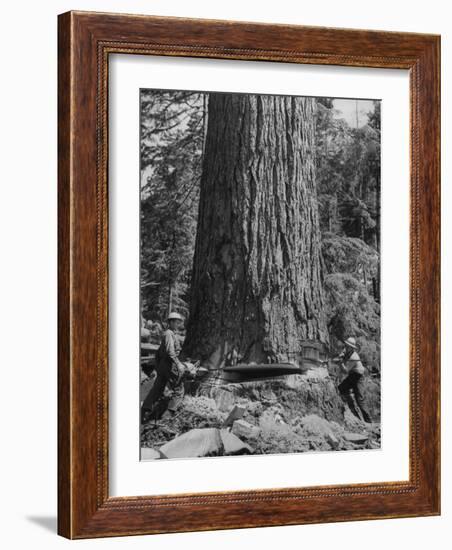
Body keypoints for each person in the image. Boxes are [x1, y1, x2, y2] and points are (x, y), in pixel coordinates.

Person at [141, 312, 186, 422]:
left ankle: (144, 412)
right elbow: (170, 351)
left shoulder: (169, 334)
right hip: (169, 365)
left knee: (157, 389)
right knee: (179, 389)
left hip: (162, 366)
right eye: (176, 322)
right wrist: (179, 364)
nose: (178, 324)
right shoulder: (169, 334)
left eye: (179, 322)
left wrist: (159, 366)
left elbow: (158, 353)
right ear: (170, 322)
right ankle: (168, 415)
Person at [333, 337, 372, 423]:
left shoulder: (354, 356)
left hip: (358, 377)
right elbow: (343, 357)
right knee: (341, 388)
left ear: (351, 347)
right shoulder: (349, 352)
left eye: (347, 346)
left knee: (360, 400)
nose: (345, 347)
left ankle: (369, 421)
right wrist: (341, 357)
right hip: (353, 375)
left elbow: (345, 371)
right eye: (345, 346)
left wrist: (340, 363)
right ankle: (347, 403)